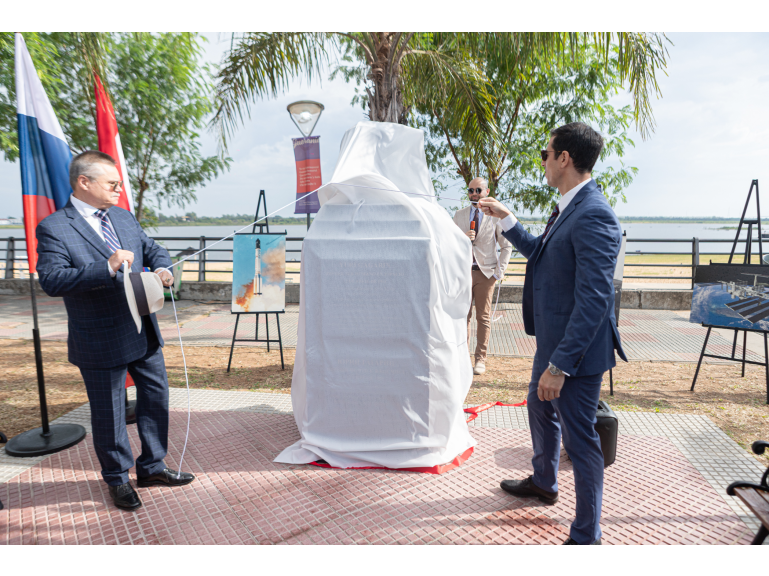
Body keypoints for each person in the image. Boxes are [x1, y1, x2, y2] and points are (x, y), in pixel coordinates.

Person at [478, 122, 626, 545]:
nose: (542, 161)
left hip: (574, 354)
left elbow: (595, 299)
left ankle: (586, 535)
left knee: (581, 442)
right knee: (538, 408)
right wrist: (507, 220)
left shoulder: (594, 212)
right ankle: (544, 482)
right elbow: (543, 255)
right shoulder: (568, 207)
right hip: (552, 342)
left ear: (564, 158)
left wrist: (560, 365)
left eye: (545, 154)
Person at [36, 150, 194, 511]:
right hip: (100, 337)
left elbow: (153, 250)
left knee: (156, 399)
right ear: (84, 182)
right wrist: (105, 267)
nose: (120, 189)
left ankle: (153, 467)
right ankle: (118, 479)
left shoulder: (122, 216)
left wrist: (165, 269)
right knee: (110, 412)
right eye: (113, 183)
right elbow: (52, 280)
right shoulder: (54, 227)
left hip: (144, 331)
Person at [453, 178, 513, 375]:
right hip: (463, 273)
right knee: (463, 317)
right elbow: (450, 244)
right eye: (471, 190)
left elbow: (506, 246)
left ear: (487, 191)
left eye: (478, 190)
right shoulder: (459, 215)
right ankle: (462, 358)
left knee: (483, 317)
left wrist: (498, 273)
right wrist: (463, 238)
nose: (474, 194)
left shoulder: (495, 216)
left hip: (486, 273)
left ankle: (480, 359)